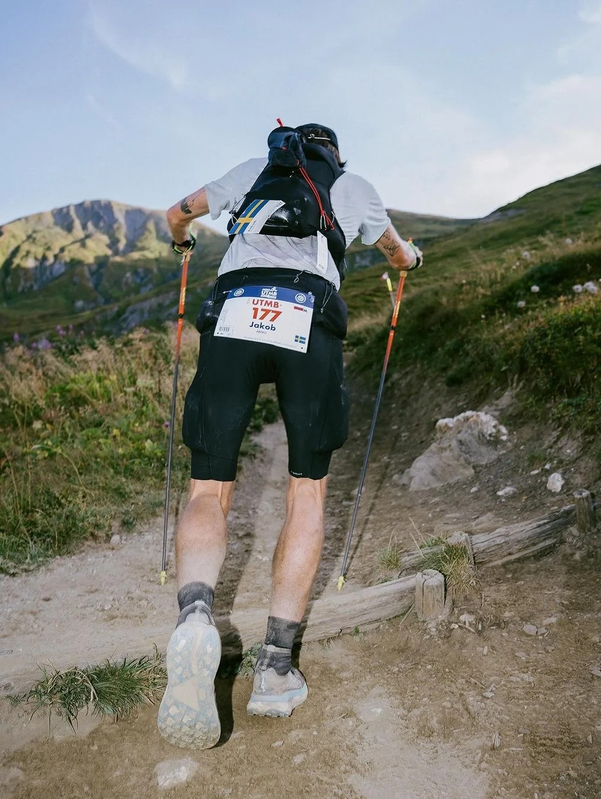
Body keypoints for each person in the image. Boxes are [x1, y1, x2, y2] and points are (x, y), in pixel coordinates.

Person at [157, 123, 422, 749]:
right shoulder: (351, 187)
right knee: (307, 491)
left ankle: (195, 616)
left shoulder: (252, 169)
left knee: (207, 489)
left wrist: (182, 242)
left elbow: (177, 214)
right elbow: (397, 253)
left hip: (234, 312)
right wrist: (411, 259)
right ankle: (275, 669)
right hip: (308, 316)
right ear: (335, 156)